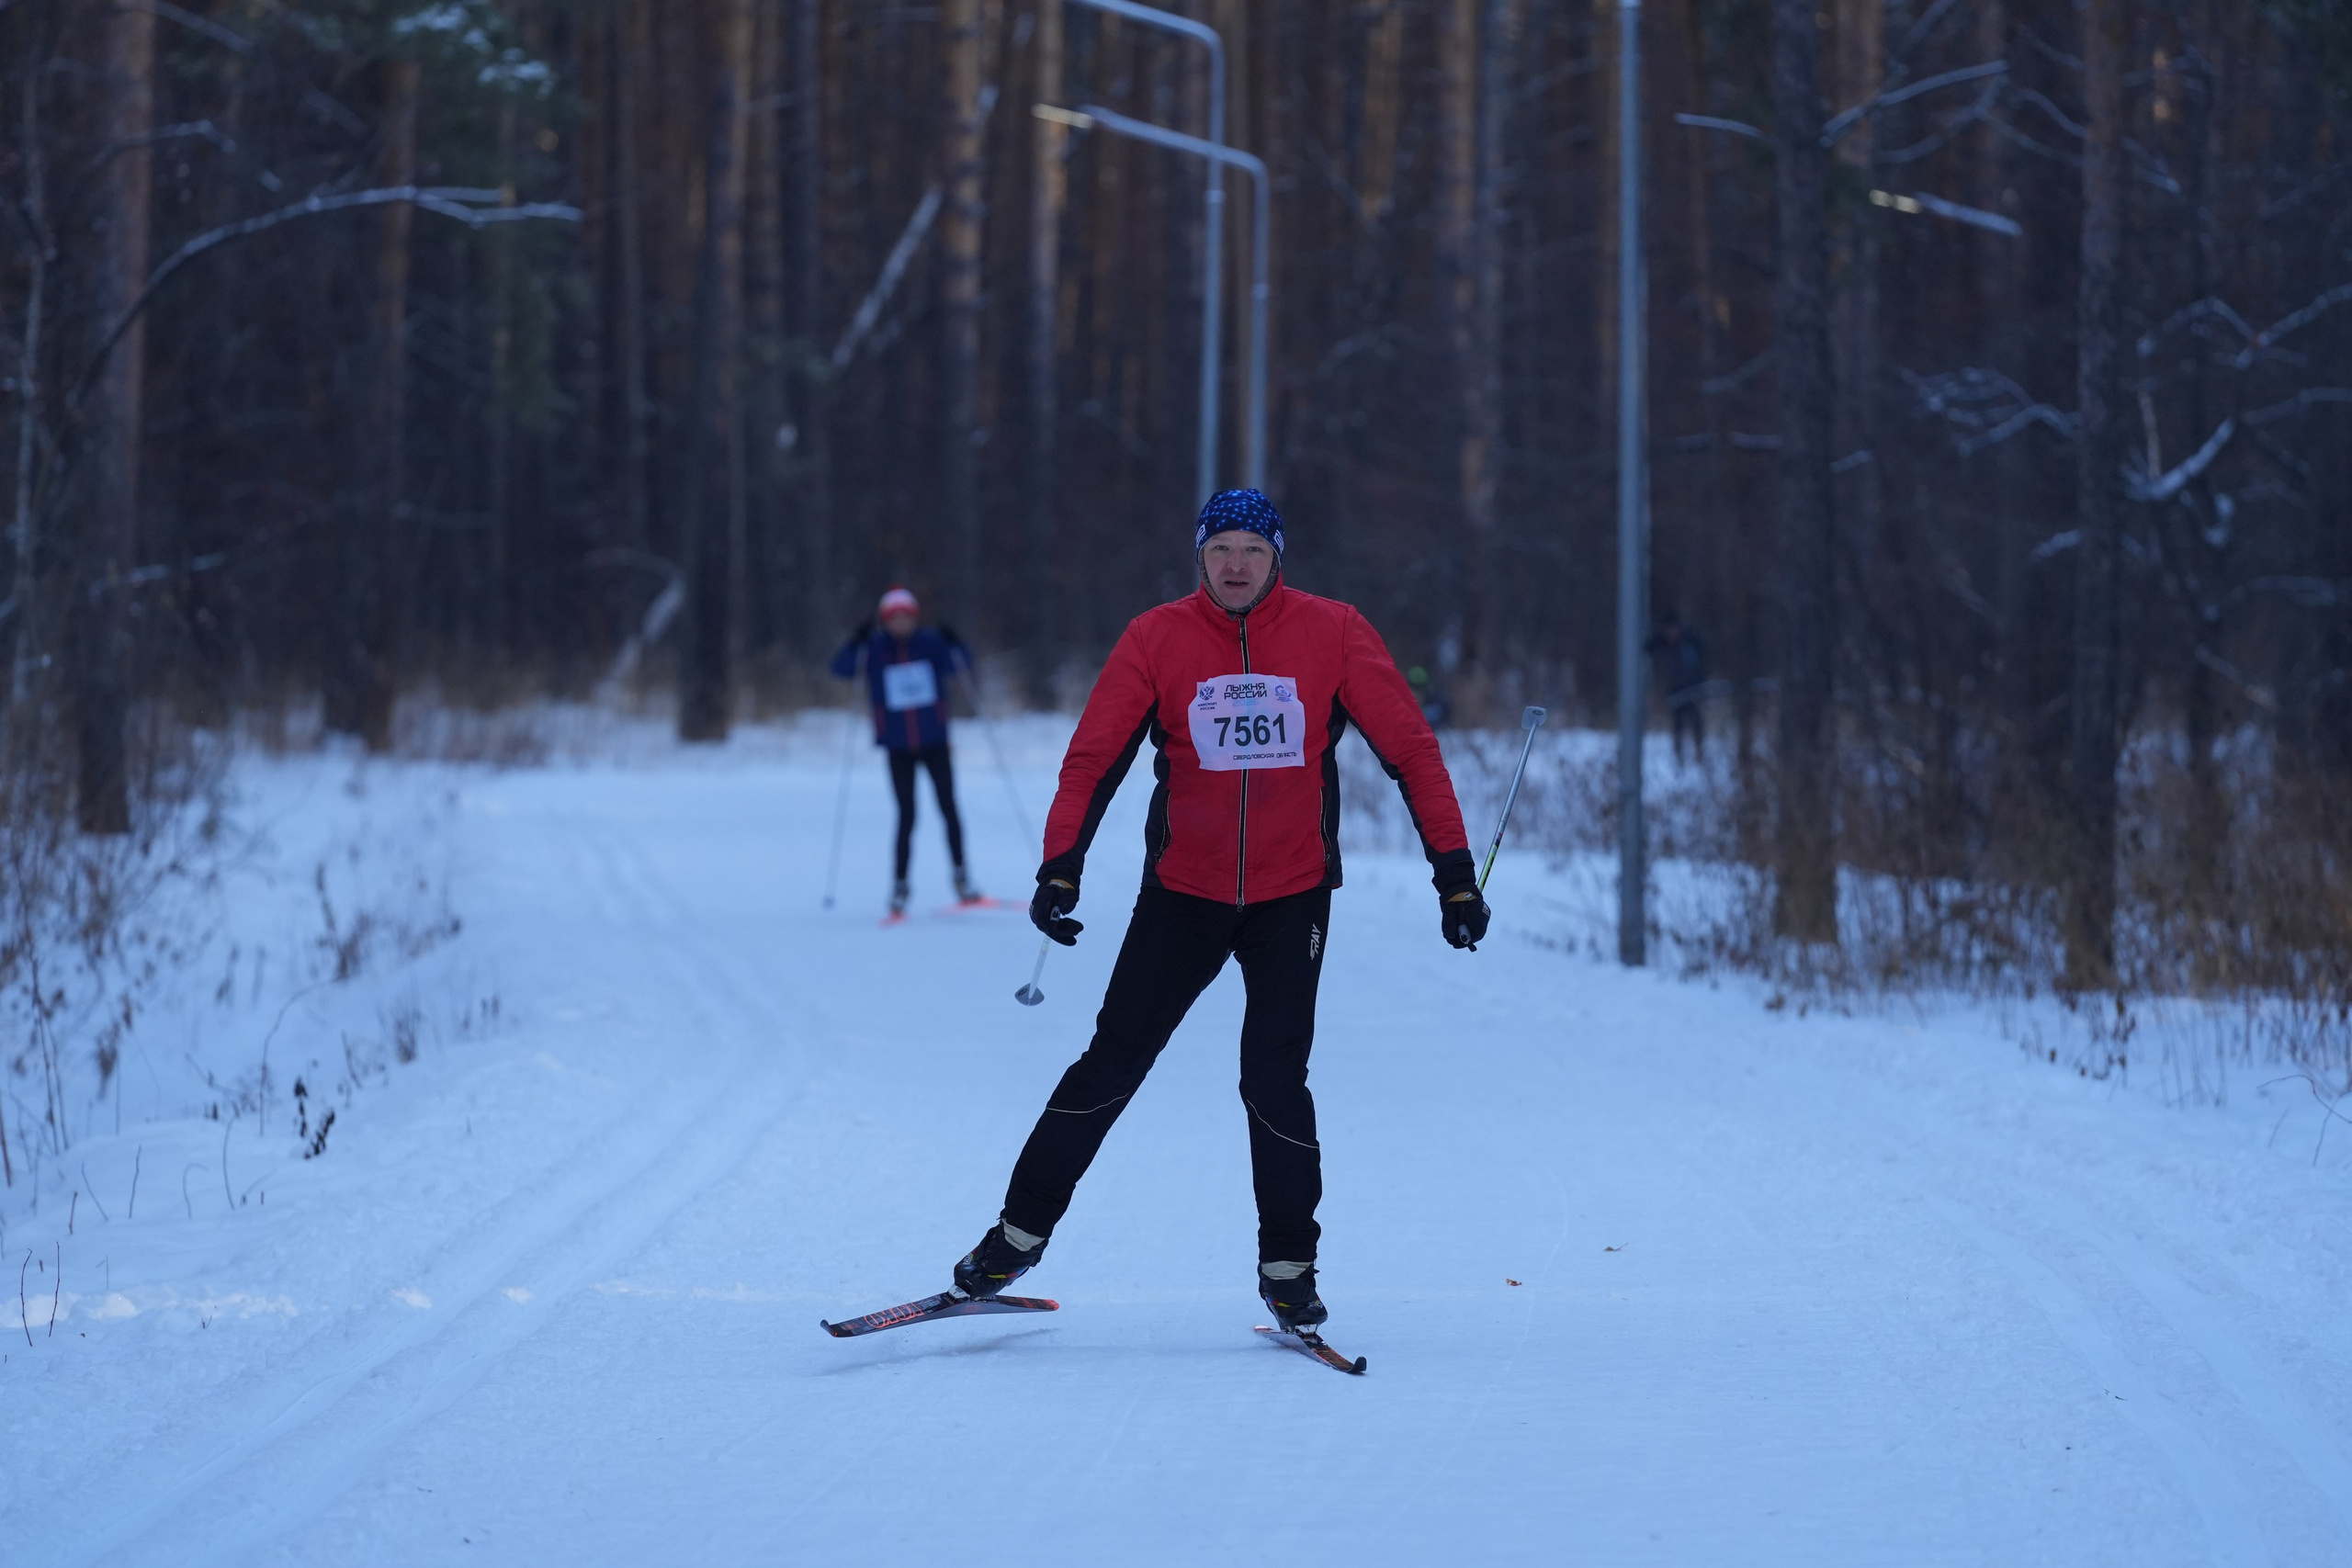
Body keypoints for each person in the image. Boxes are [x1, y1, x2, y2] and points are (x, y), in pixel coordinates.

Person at [948, 489, 1487, 1335]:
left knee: (1274, 1078)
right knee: (1111, 1064)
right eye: (1221, 548)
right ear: (1199, 556)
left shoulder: (1335, 631)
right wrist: (1061, 868)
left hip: (1290, 895)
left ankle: (1289, 1271)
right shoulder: (1156, 637)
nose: (1236, 565)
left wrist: (1453, 874)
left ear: (1279, 559)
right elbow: (1093, 760)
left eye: (1254, 550)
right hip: (1184, 894)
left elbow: (1411, 752)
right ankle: (1014, 1239)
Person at [830, 586, 982, 918]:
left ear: (914, 618)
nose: (901, 624)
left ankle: (962, 877)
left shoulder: (929, 644)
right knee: (906, 816)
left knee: (949, 809)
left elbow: (961, 665)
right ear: (885, 621)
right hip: (897, 745)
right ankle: (900, 886)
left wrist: (955, 641)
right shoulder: (874, 648)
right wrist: (854, 642)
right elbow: (841, 670)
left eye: (906, 618)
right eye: (894, 619)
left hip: (934, 741)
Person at [1646, 613, 1709, 766]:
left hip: (1693, 686)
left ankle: (1699, 750)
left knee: (1696, 720)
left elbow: (1704, 646)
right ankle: (1678, 753)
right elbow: (1649, 646)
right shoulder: (1665, 643)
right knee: (1678, 722)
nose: (1671, 634)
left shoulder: (1688, 641)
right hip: (1675, 689)